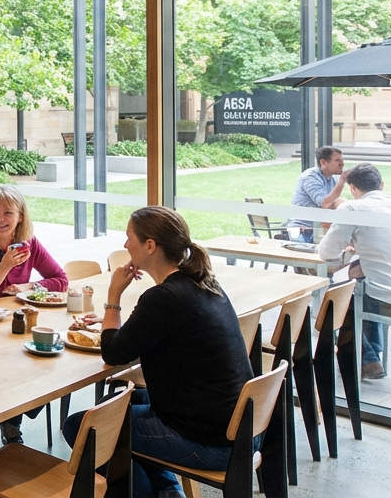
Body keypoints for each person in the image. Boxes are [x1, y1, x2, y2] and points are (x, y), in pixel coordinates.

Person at [67, 206, 254, 498]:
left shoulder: (163, 298)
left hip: (212, 443)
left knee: (84, 429)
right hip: (239, 429)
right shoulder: (204, 282)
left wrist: (113, 297)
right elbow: (156, 330)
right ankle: (167, 491)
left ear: (150, 246)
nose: (125, 244)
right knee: (113, 403)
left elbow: (113, 352)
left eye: (129, 238)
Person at [0, 185, 67, 446]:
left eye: (8, 212)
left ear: (20, 217)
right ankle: (1, 420)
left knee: (47, 364)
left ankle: (10, 418)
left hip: (12, 326)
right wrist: (5, 265)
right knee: (12, 368)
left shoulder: (28, 244)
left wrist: (29, 286)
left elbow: (61, 279)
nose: (1, 218)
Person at [317, 162, 391, 380]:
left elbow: (326, 252)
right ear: (382, 184)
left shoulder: (354, 208)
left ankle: (367, 358)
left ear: (352, 189)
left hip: (384, 294)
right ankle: (371, 356)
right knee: (361, 281)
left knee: (341, 295)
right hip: (385, 285)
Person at [285, 146, 347, 242]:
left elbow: (333, 204)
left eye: (342, 160)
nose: (342, 163)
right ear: (323, 162)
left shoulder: (331, 179)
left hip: (319, 229)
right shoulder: (310, 177)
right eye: (337, 160)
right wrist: (342, 181)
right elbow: (325, 204)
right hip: (302, 231)